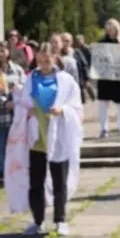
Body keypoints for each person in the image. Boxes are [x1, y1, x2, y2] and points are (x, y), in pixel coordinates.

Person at [4, 42, 83, 236]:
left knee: (59, 182)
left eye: (46, 60)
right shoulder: (31, 79)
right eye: (39, 61)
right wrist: (25, 110)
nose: (43, 64)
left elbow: (77, 108)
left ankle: (60, 220)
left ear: (55, 57)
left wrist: (62, 110)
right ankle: (38, 221)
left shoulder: (66, 81)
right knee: (36, 182)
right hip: (37, 139)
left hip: (59, 139)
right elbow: (22, 103)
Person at [96, 18, 120, 138]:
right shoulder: (101, 42)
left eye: (112, 27)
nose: (109, 30)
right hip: (105, 78)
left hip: (119, 78)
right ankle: (104, 129)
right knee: (103, 104)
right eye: (107, 27)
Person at [0, 42, 26, 184]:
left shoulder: (17, 70)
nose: (1, 54)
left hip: (16, 118)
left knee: (15, 148)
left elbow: (25, 89)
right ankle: (4, 175)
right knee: (1, 148)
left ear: (8, 52)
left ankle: (15, 174)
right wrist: (4, 102)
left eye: (3, 50)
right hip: (1, 116)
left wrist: (16, 103)